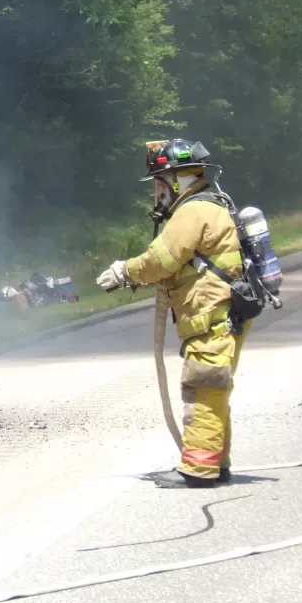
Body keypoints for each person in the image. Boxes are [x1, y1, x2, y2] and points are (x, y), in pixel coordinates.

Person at [96, 139, 246, 488]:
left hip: (212, 316)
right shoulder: (212, 203)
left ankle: (198, 470)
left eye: (160, 183)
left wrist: (124, 272)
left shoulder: (193, 211)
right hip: (219, 315)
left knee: (203, 388)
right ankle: (215, 464)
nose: (158, 193)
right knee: (213, 390)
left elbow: (160, 260)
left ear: (178, 180)